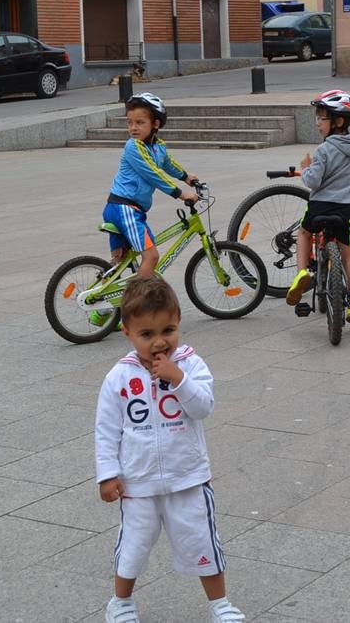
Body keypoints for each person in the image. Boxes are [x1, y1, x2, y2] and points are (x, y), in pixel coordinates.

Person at [95, 275, 244, 623]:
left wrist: (178, 379)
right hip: (138, 483)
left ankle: (220, 604)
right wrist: (107, 474)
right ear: (128, 333)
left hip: (187, 478)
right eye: (147, 334)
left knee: (203, 543)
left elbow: (203, 406)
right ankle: (121, 603)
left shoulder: (190, 364)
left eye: (168, 330)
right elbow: (106, 430)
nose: (160, 342)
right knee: (133, 547)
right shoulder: (119, 376)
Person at [286, 90, 350, 332]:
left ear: (338, 121)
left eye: (321, 118)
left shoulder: (324, 150)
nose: (317, 123)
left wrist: (305, 168)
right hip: (345, 210)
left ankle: (302, 273)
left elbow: (313, 181)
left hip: (319, 206)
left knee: (304, 233)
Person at [103, 93, 199, 276]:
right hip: (124, 208)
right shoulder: (133, 146)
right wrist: (180, 193)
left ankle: (110, 297)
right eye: (130, 122)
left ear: (156, 124)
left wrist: (186, 176)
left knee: (120, 262)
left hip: (130, 209)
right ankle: (140, 301)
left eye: (140, 122)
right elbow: (153, 173)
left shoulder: (157, 146)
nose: (133, 128)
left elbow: (168, 164)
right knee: (152, 256)